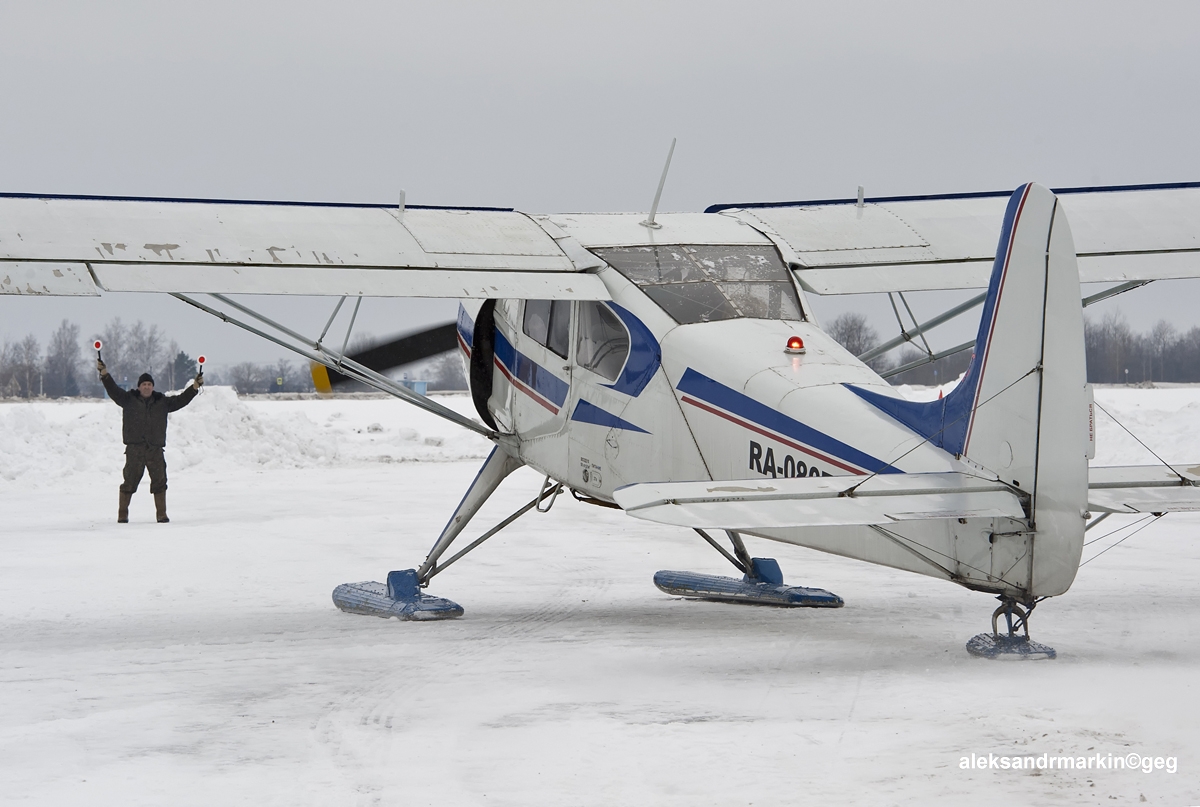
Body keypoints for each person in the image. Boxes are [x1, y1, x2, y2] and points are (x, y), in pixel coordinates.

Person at [98, 360, 202, 523]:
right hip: (134, 448)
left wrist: (194, 387)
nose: (146, 387)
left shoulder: (163, 402)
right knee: (129, 481)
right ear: (139, 387)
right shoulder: (128, 400)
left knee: (160, 481)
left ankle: (161, 514)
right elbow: (113, 390)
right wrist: (105, 375)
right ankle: (122, 513)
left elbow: (181, 400)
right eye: (144, 384)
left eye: (149, 384)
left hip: (155, 449)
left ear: (152, 387)